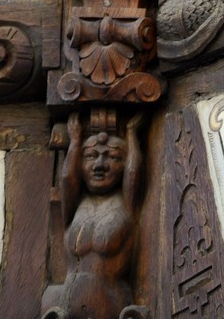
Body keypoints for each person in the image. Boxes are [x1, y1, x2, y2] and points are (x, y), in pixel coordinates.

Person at [40, 111, 145, 319]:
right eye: (90, 156)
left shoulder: (124, 206)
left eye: (113, 157)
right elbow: (67, 178)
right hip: (65, 306)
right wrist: (75, 141)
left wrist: (131, 133)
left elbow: (134, 172)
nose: (99, 165)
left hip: (111, 305)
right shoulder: (75, 207)